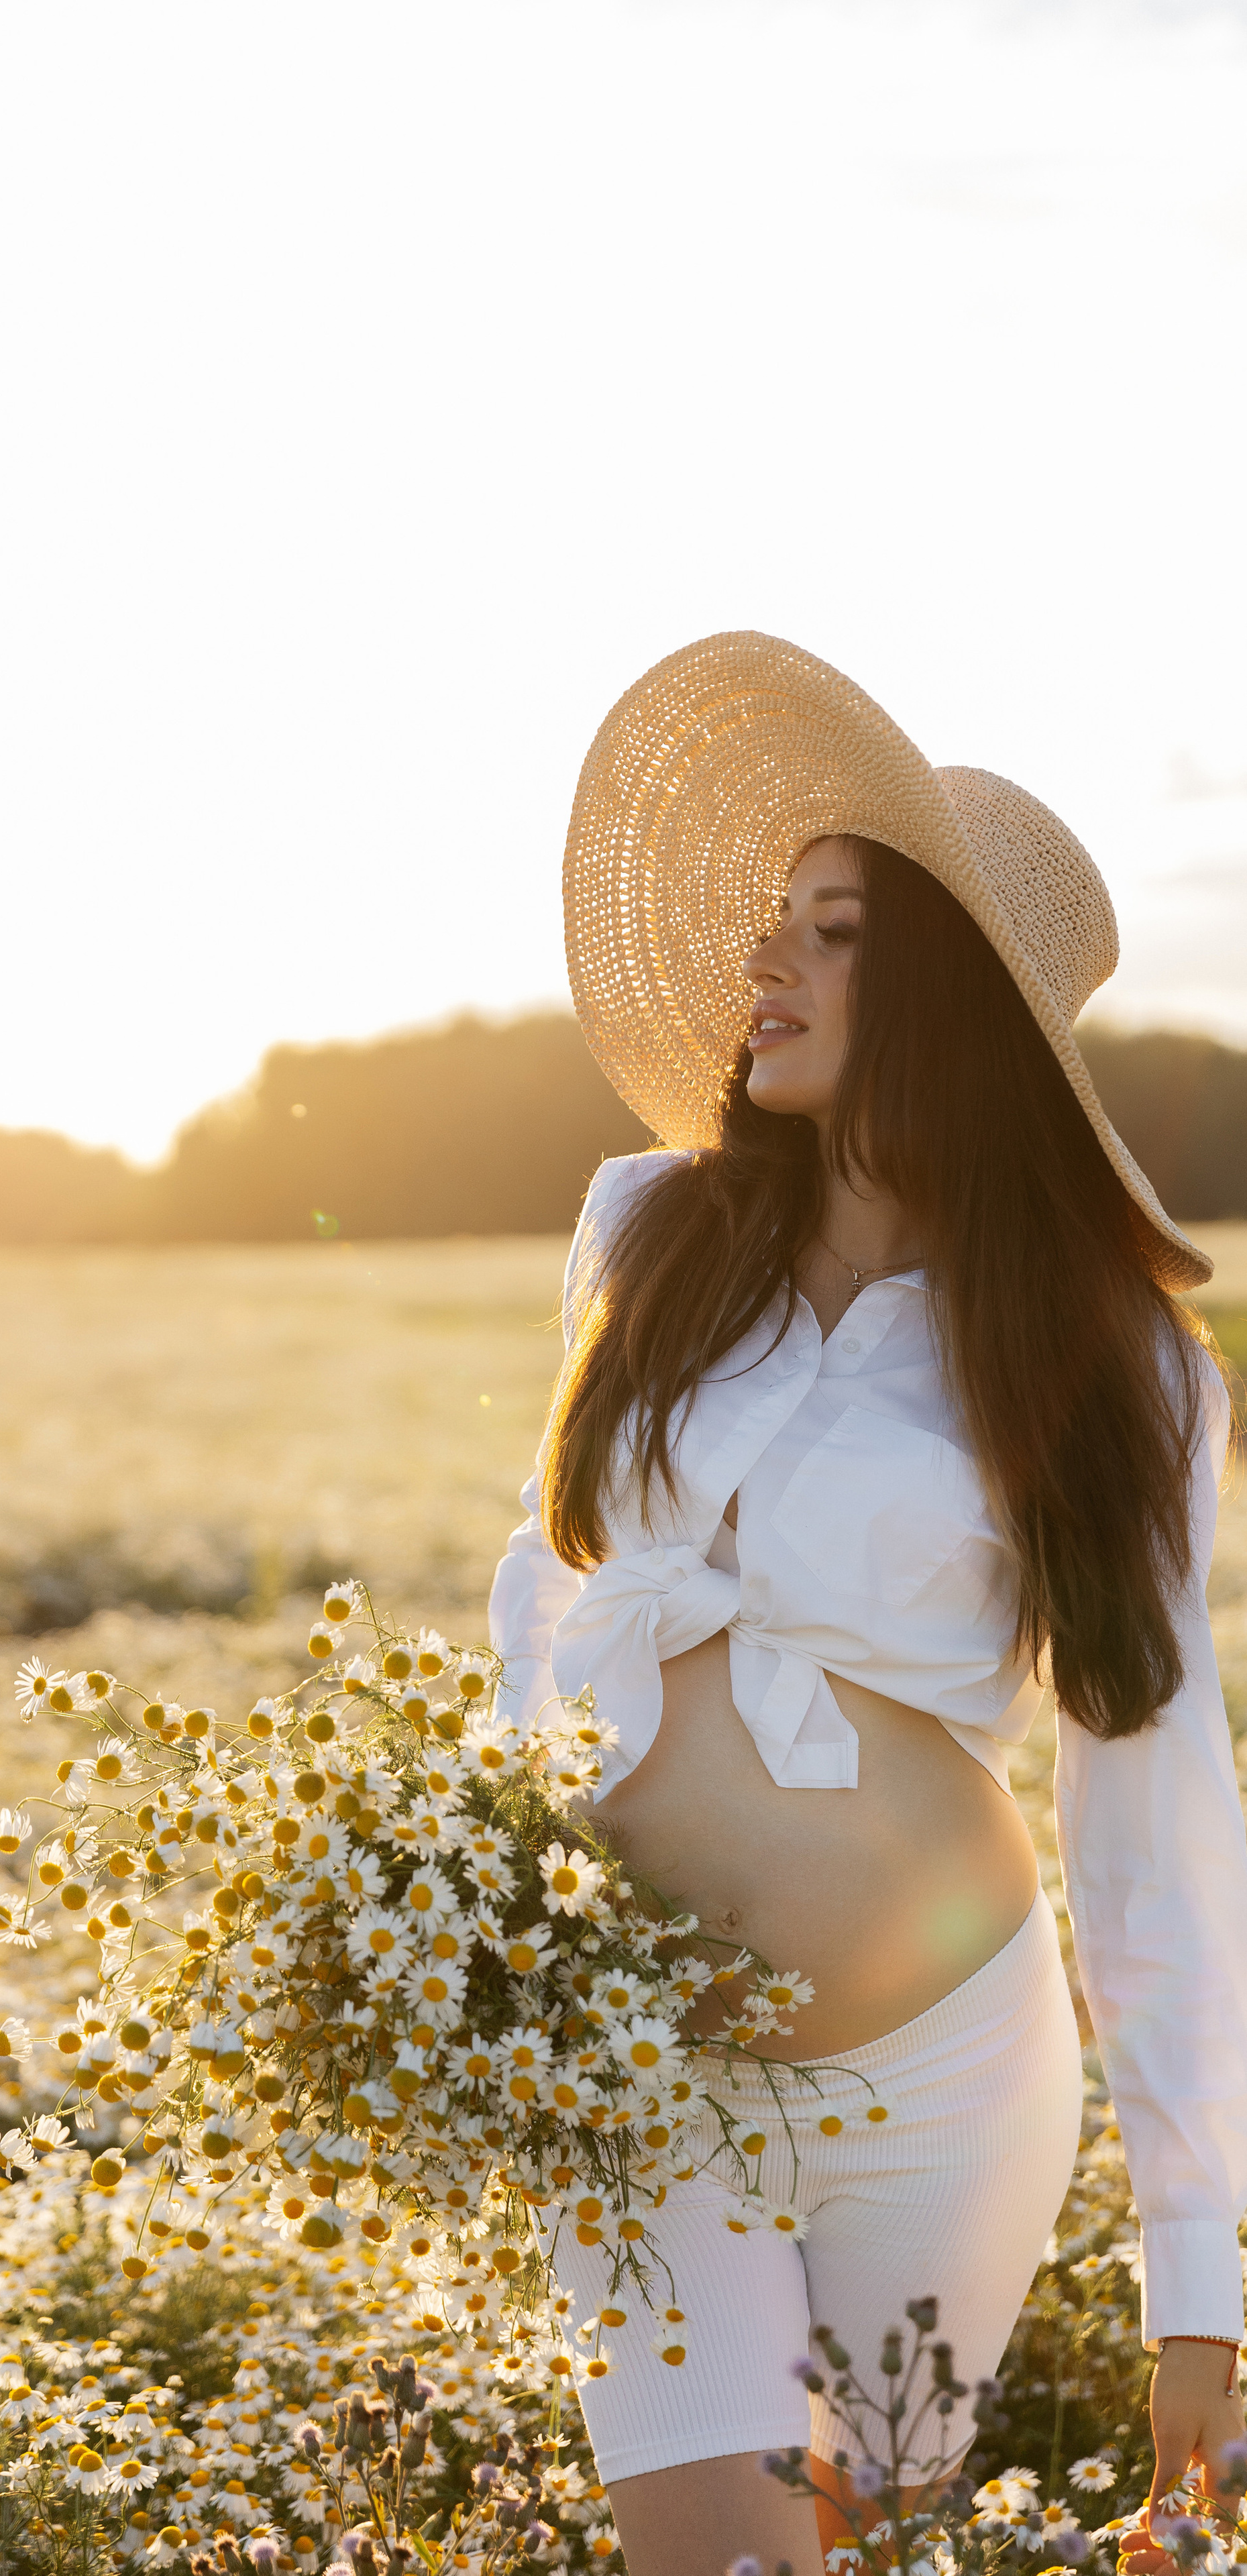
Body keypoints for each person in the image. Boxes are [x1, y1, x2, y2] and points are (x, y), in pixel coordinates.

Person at [488, 634, 1247, 2575]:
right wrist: (491, 1902)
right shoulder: (646, 1229)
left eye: (827, 932)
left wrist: (1196, 2275)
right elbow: (544, 1584)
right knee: (718, 2563)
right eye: (775, 924)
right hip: (644, 2059)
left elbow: (1152, 1809)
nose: (764, 966)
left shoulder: (1120, 1367)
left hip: (948, 2082)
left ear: (952, 1005)